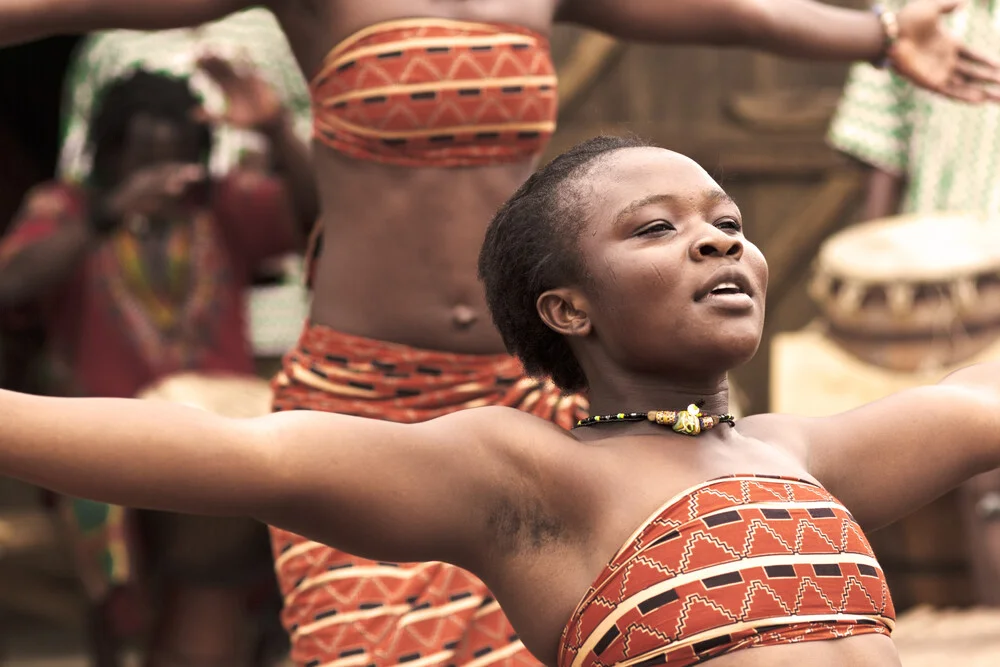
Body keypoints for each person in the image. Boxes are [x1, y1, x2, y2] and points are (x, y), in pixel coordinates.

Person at [2, 1, 1000, 666]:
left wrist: (870, 35)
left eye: (729, 225)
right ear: (568, 300)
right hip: (367, 386)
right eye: (658, 228)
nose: (714, 244)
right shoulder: (523, 482)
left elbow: (725, 9)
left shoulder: (800, 448)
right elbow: (240, 458)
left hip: (533, 388)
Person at [0, 68, 301, 667]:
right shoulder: (66, 206)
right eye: (144, 159)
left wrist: (277, 130)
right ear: (110, 154)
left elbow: (318, 215)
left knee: (219, 599)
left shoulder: (222, 205)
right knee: (119, 603)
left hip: (213, 439)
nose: (164, 176)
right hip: (94, 444)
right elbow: (10, 283)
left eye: (179, 158)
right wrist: (109, 212)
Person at [828, 0, 1000, 605]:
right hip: (940, 272)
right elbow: (883, 151)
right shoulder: (908, 9)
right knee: (980, 452)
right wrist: (872, 259)